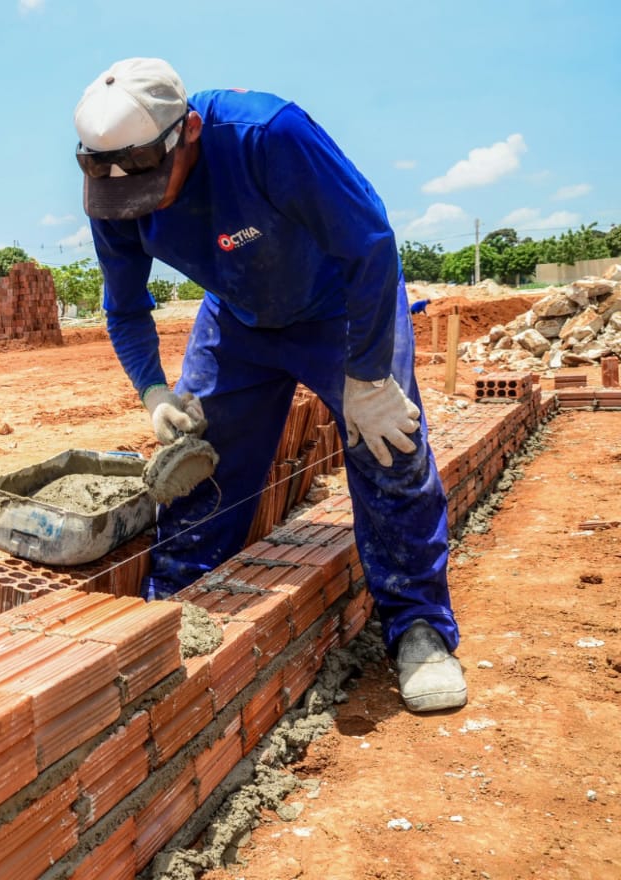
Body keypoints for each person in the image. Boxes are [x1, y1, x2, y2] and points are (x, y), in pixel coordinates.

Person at [73, 58, 465, 713]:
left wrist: (367, 378)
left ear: (189, 130)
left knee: (390, 448)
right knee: (200, 463)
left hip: (344, 306)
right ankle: (180, 603)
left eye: (149, 182)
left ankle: (419, 627)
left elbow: (369, 246)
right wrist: (153, 392)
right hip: (239, 316)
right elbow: (125, 305)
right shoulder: (114, 181)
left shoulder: (268, 136)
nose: (136, 206)